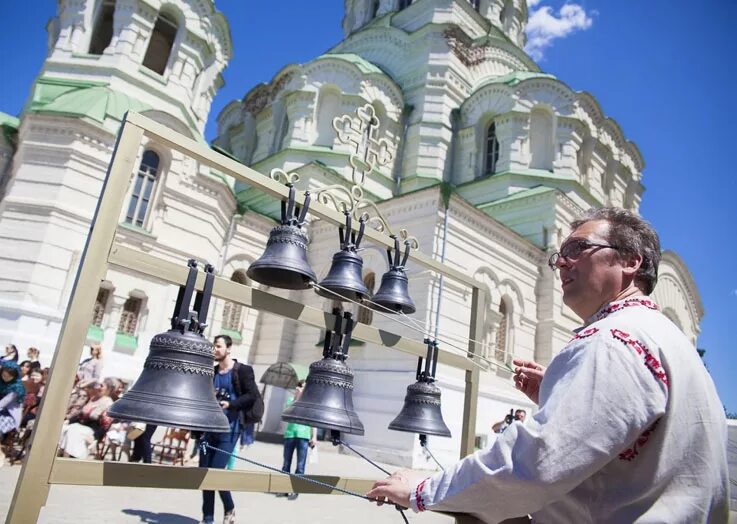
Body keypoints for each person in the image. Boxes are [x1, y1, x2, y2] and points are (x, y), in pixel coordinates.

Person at [367, 207, 729, 522]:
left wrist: (425, 490)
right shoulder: (669, 342)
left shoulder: (612, 340)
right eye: (559, 256)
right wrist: (562, 395)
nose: (561, 263)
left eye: (577, 249)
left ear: (630, 260)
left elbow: (538, 460)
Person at [198, 334, 259, 524]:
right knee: (204, 474)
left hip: (230, 429)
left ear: (229, 348)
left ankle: (229, 507)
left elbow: (251, 395)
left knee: (216, 472)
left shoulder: (243, 371)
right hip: (210, 429)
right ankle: (208, 519)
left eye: (218, 346)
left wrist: (230, 404)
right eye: (213, 347)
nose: (214, 350)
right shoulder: (212, 372)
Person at [277, 380, 317, 500]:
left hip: (303, 435)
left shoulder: (310, 403)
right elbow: (286, 414)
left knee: (300, 465)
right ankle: (284, 489)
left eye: (304, 387)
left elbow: (313, 421)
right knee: (286, 463)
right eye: (300, 386)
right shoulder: (291, 400)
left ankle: (296, 489)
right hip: (290, 434)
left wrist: (314, 436)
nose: (302, 389)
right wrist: (296, 398)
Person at [58, 380, 114, 458]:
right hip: (80, 425)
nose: (99, 387)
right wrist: (68, 421)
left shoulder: (108, 403)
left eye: (102, 386)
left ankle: (74, 458)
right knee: (62, 428)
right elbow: (81, 414)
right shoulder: (93, 398)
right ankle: (61, 455)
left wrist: (96, 437)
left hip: (94, 430)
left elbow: (105, 425)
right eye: (98, 385)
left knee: (74, 431)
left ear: (108, 389)